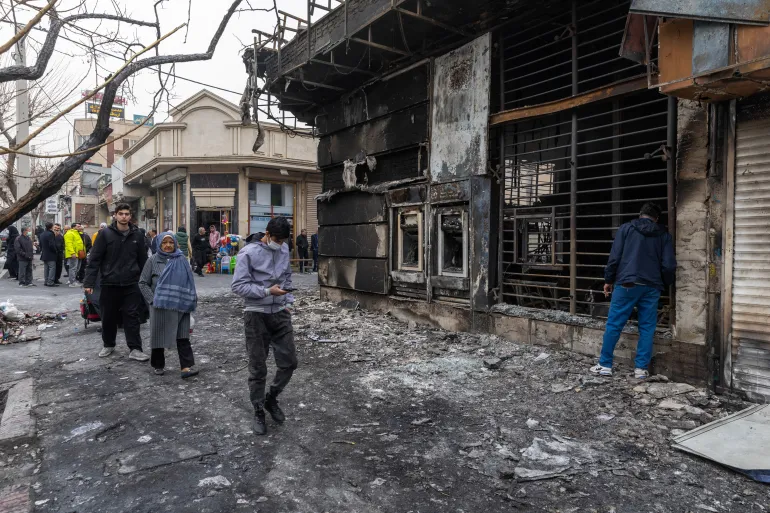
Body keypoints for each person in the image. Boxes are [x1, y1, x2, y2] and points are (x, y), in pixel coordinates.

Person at [590, 202, 677, 380]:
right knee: (647, 327)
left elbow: (614, 257)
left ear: (640, 214)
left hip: (627, 284)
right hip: (652, 286)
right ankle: (640, 369)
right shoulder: (664, 235)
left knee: (614, 324)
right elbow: (668, 265)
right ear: (657, 218)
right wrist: (665, 282)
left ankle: (605, 365)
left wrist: (608, 279)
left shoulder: (626, 229)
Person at [232, 216, 297, 436]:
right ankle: (258, 409)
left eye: (282, 240)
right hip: (255, 315)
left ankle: (271, 399)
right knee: (258, 367)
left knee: (289, 363)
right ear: (266, 234)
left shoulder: (284, 248)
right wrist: (267, 292)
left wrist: (287, 301)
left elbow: (287, 276)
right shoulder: (248, 253)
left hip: (279, 314)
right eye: (276, 239)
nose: (279, 244)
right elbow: (238, 286)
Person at [84, 203, 150, 362]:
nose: (124, 216)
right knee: (108, 317)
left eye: (127, 214)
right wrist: (89, 282)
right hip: (109, 283)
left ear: (130, 216)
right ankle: (108, 344)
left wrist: (147, 281)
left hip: (131, 283)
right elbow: (95, 259)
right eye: (121, 214)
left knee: (132, 316)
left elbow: (143, 261)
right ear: (115, 215)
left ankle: (135, 349)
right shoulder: (105, 234)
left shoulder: (138, 235)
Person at [139, 232, 199, 378]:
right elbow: (142, 283)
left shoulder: (182, 260)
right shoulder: (152, 260)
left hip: (180, 305)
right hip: (160, 307)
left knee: (182, 336)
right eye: (164, 243)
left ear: (176, 244)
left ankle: (186, 367)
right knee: (158, 336)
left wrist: (191, 299)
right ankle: (158, 366)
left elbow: (189, 282)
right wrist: (153, 300)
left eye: (171, 243)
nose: (167, 245)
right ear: (159, 244)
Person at [64, 222, 85, 287]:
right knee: (73, 268)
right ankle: (72, 282)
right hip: (74, 254)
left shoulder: (77, 233)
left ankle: (73, 280)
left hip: (79, 253)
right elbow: (68, 244)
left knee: (76, 268)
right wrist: (72, 253)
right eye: (78, 226)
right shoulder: (70, 233)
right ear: (74, 227)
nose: (80, 227)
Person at [39, 222, 58, 287]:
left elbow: (40, 245)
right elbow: (51, 244)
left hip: (44, 253)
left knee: (46, 268)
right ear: (51, 227)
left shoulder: (42, 234)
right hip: (51, 254)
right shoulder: (50, 234)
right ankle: (50, 282)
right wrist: (55, 251)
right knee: (52, 268)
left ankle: (46, 281)